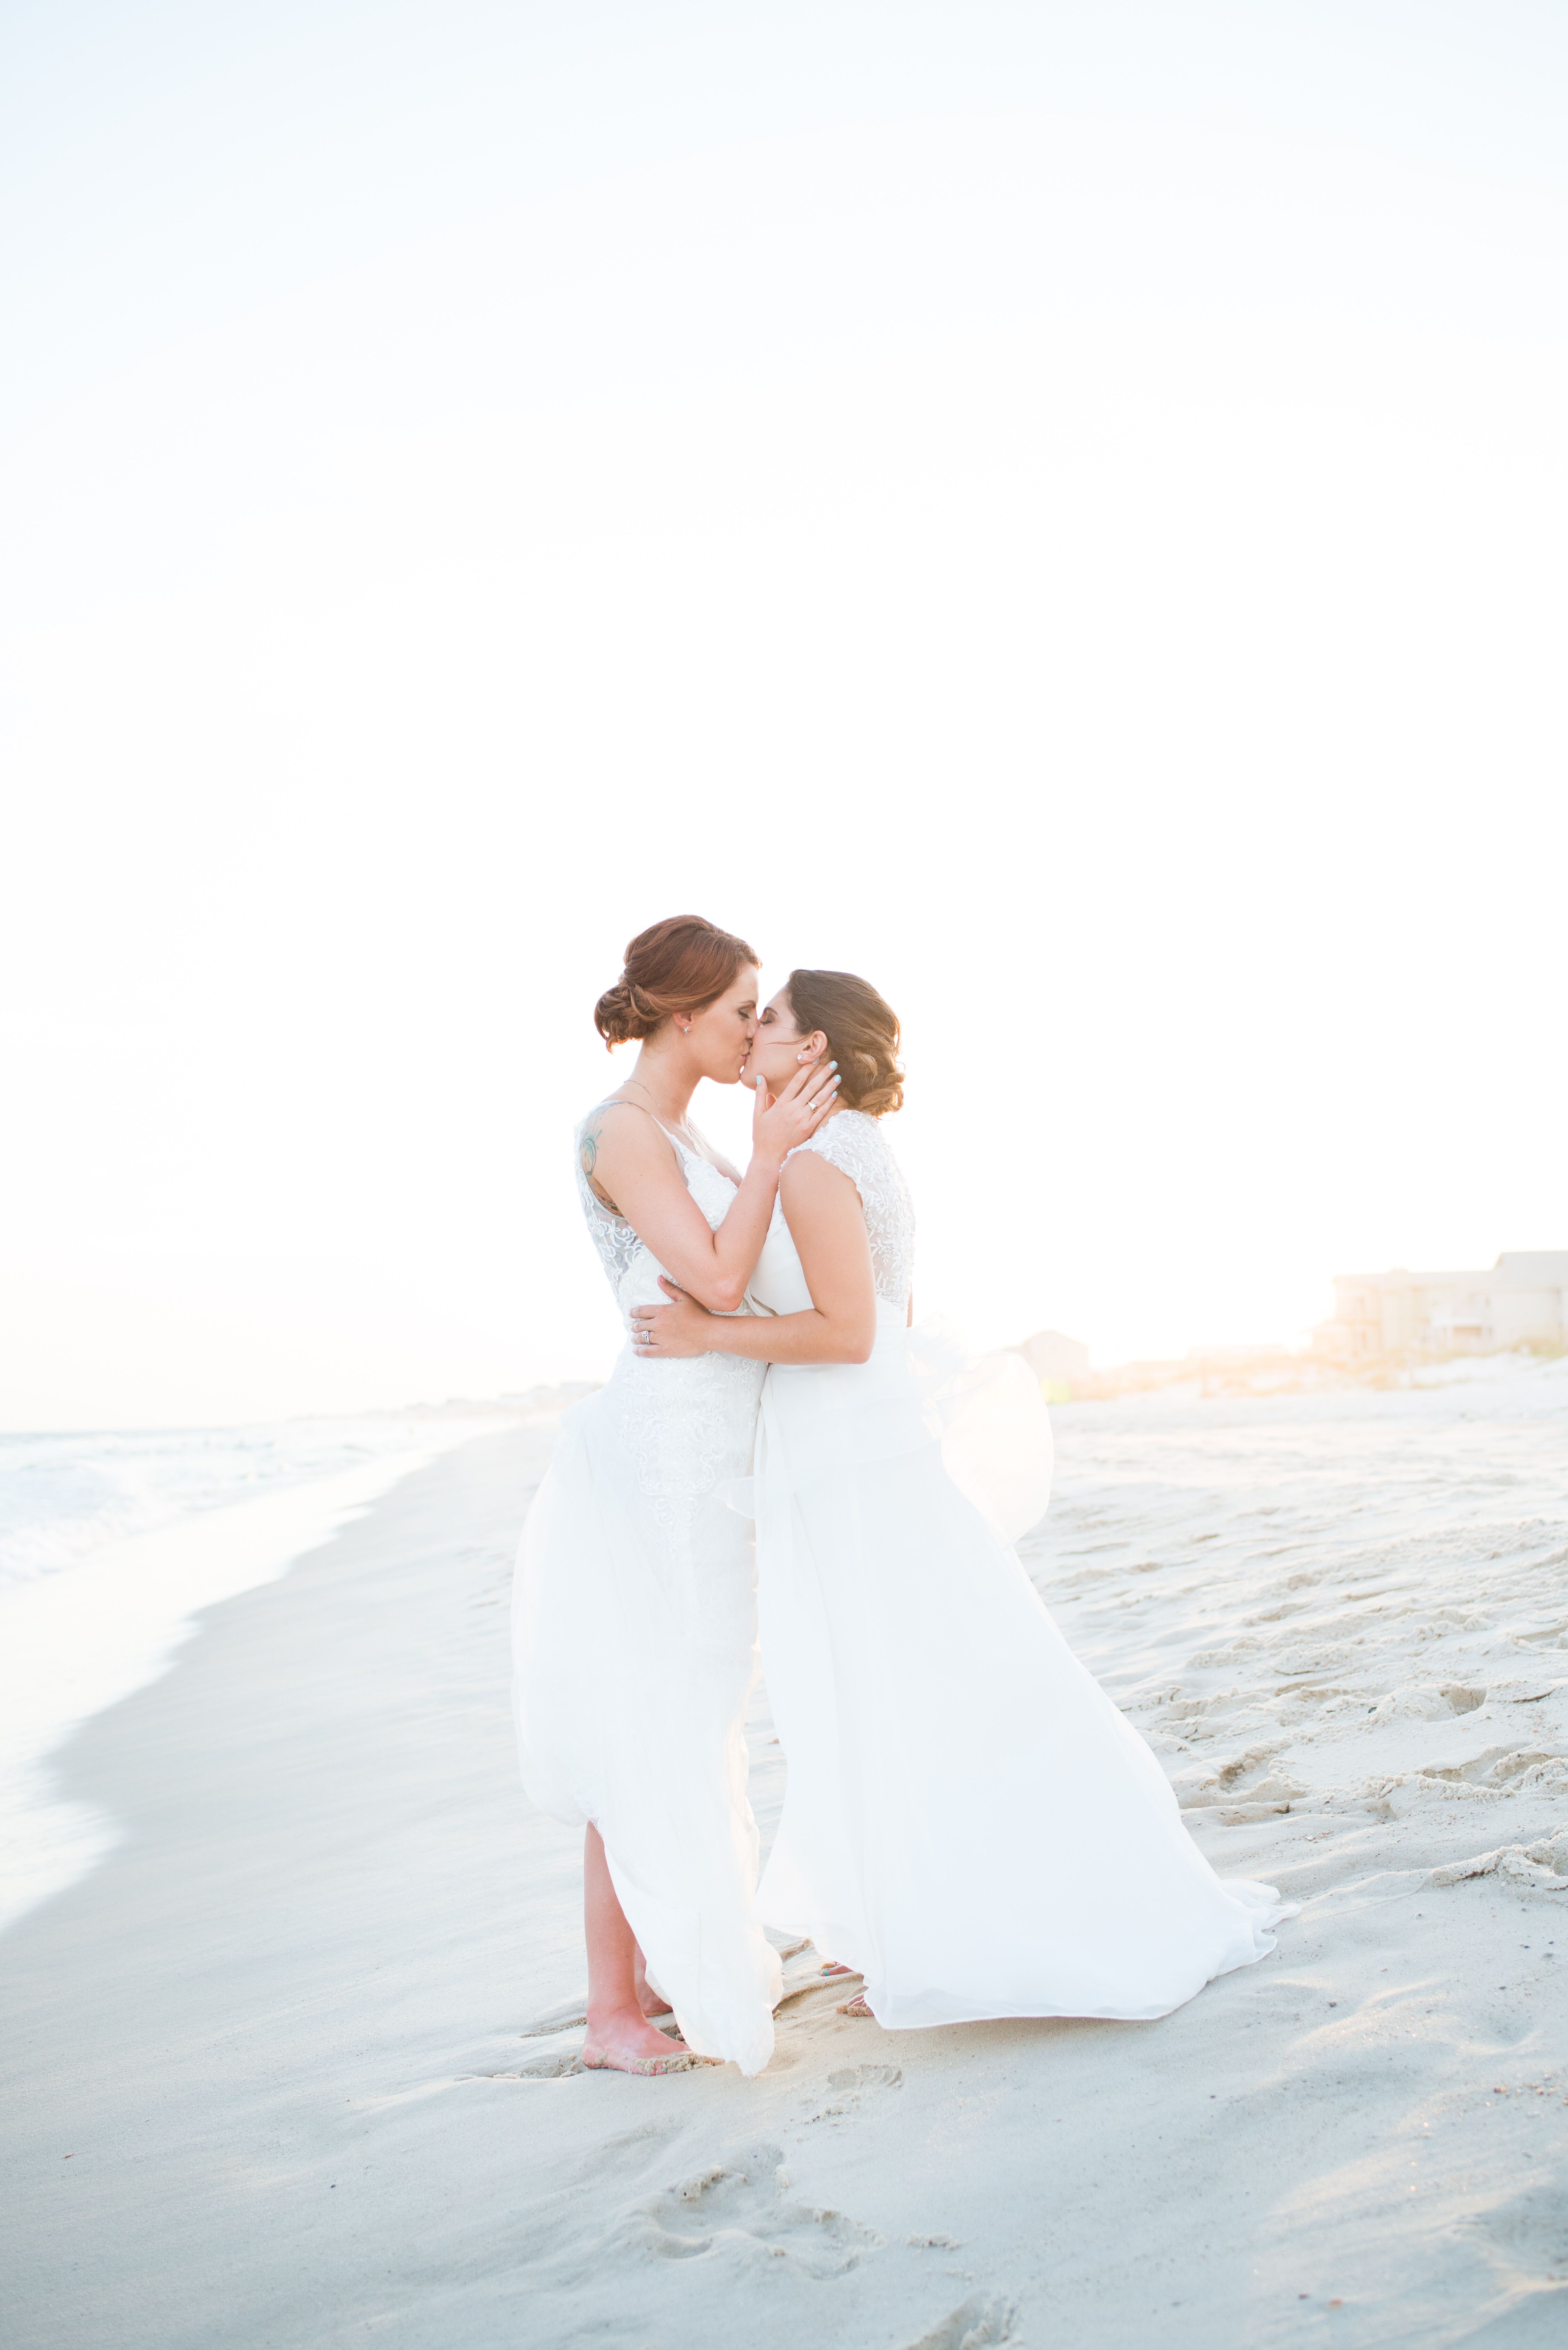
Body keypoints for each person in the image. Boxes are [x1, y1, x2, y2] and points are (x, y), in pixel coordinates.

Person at [632, 968, 1293, 2030]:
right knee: (919, 1681)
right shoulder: (861, 1153)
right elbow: (886, 1318)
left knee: (877, 1694)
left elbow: (849, 1333)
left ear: (814, 1053)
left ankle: (929, 1936)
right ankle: (910, 1919)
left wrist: (709, 1333)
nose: (755, 1031)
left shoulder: (811, 1170)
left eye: (774, 1019)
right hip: (872, 1446)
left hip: (845, 1456)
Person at [512, 917, 837, 2077]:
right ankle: (611, 2012)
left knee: (693, 1716)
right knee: (646, 1722)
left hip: (710, 1451)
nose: (757, 1027)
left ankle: (650, 1973)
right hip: (660, 1456)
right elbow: (712, 1276)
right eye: (744, 1008)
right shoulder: (623, 1131)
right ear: (683, 1011)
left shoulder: (680, 1124)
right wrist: (765, 1155)